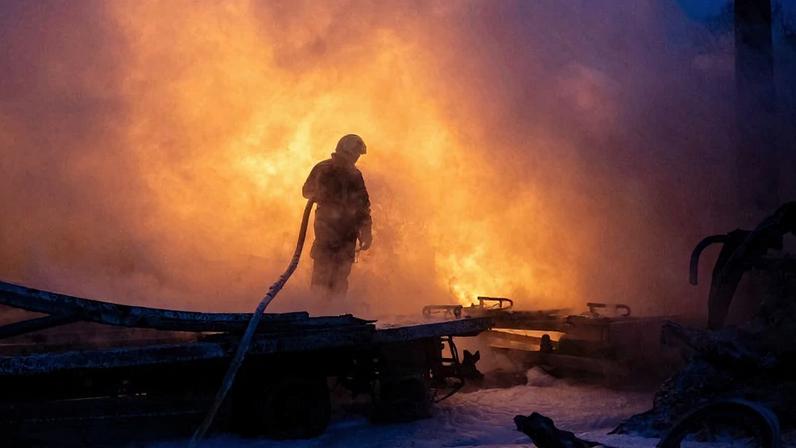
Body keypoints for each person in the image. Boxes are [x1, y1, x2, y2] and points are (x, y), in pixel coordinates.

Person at [302, 134, 372, 297]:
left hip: (347, 235)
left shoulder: (355, 174)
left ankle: (334, 311)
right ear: (346, 150)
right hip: (327, 232)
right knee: (322, 276)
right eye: (355, 154)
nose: (356, 158)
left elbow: (363, 206)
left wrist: (366, 231)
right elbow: (306, 191)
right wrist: (321, 194)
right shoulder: (323, 168)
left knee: (340, 278)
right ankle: (319, 312)